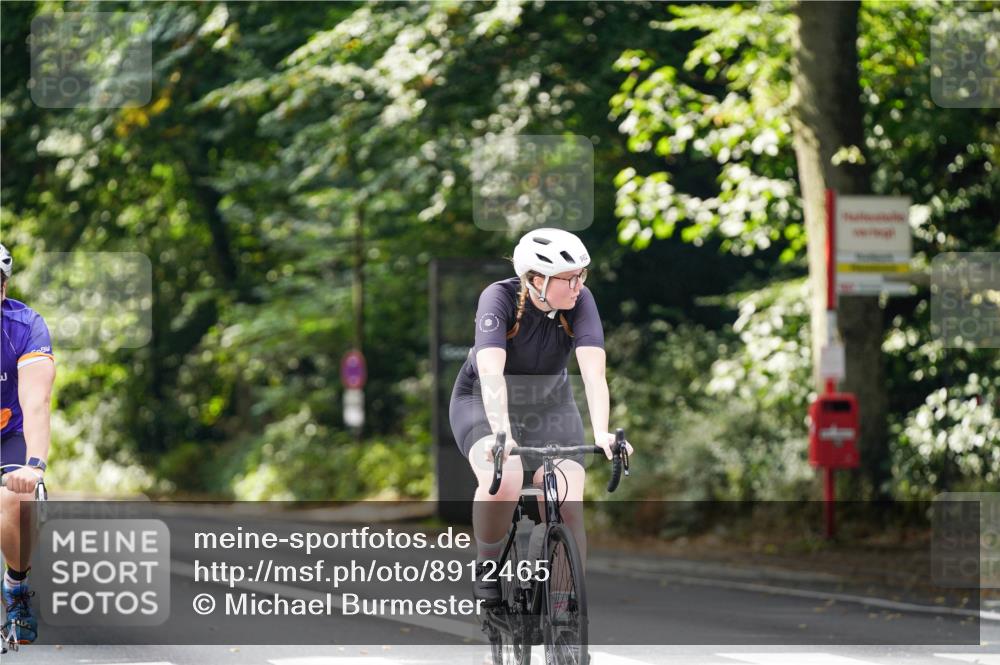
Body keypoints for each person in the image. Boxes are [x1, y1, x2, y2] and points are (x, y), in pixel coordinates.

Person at [448, 228, 633, 605]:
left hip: (550, 404)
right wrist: (502, 434)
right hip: (483, 401)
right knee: (508, 479)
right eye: (569, 278)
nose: (578, 285)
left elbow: (594, 374)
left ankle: (564, 606)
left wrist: (602, 432)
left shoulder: (581, 303)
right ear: (535, 279)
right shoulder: (498, 298)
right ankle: (487, 568)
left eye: (583, 274)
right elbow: (490, 373)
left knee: (567, 496)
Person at [0, 242, 55, 645]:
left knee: (18, 501)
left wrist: (34, 464)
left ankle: (17, 585)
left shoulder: (24, 326)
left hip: (10, 435)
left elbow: (36, 402)